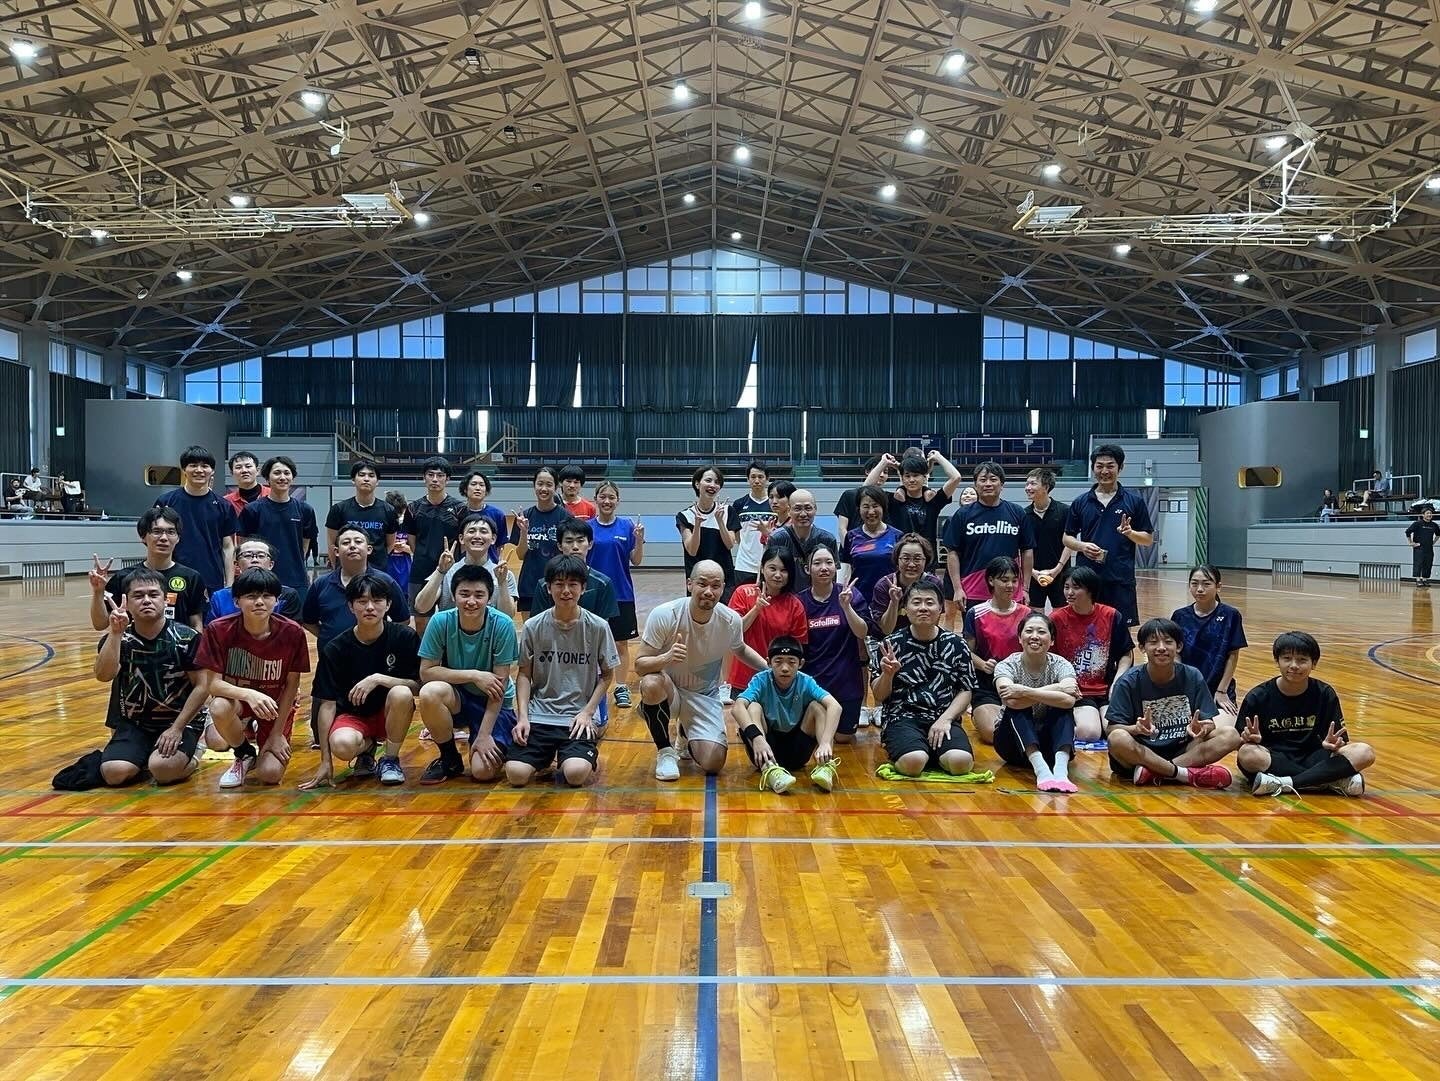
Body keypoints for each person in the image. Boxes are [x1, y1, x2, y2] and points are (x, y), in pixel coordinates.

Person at [636, 560, 768, 781]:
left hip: (704, 695)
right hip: (670, 692)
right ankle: (665, 751)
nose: (708, 591)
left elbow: (740, 649)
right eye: (702, 584)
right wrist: (666, 657)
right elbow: (640, 665)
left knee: (713, 762)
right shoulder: (665, 615)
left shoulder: (730, 620)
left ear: (722, 588)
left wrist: (769, 669)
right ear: (690, 584)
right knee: (650, 683)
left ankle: (685, 733)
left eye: (715, 586)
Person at [508, 555, 618, 788]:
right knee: (515, 775)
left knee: (575, 775)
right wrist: (523, 717)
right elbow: (524, 674)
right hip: (540, 715)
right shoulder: (533, 626)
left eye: (572, 584)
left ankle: (576, 755)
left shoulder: (598, 626)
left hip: (577, 717)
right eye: (559, 584)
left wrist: (588, 712)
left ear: (583, 588)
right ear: (548, 588)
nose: (566, 590)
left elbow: (607, 675)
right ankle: (547, 755)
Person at [302, 574, 421, 788]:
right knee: (342, 745)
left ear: (388, 605)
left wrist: (378, 679)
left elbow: (418, 686)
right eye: (362, 601)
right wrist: (325, 761)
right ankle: (367, 748)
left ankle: (390, 760)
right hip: (353, 715)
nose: (370, 607)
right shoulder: (335, 648)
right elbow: (327, 704)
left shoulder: (404, 637)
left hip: (390, 713)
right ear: (350, 606)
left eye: (377, 600)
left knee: (401, 692)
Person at [93, 569, 209, 787]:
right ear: (127, 602)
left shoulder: (188, 638)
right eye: (138, 596)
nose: (146, 600)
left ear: (166, 600)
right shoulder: (119, 638)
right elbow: (103, 675)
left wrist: (177, 728)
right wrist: (116, 634)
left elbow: (202, 687)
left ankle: (195, 751)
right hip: (135, 723)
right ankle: (143, 754)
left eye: (153, 594)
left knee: (163, 771)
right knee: (113, 773)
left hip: (179, 722)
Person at [197, 568, 310, 788]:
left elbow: (291, 686)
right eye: (251, 596)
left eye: (267, 596)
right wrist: (250, 695)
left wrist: (277, 735)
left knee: (270, 774)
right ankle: (244, 753)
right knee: (219, 707)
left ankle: (263, 732)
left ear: (276, 600)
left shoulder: (293, 632)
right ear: (236, 601)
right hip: (239, 701)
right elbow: (213, 685)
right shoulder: (218, 630)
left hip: (274, 706)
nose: (259, 602)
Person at [1104, 617, 1240, 788]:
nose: (1161, 647)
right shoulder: (1128, 681)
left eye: (1168, 642)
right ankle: (1182, 774)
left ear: (1179, 646)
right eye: (1153, 642)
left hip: (1184, 750)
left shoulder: (1192, 675)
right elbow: (1111, 729)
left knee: (1230, 735)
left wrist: (1203, 728)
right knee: (1117, 738)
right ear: (1142, 648)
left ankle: (1156, 773)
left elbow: (1209, 723)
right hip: (1142, 753)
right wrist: (1135, 729)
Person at [1237, 631, 1375, 798]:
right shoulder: (1258, 696)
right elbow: (1240, 744)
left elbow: (1340, 741)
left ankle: (1286, 784)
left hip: (1315, 757)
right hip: (1274, 759)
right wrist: (1250, 739)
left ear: (1313, 663)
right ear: (1277, 661)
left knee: (1364, 752)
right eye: (1287, 658)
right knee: (1247, 754)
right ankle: (1327, 780)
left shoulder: (1325, 693)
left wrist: (1334, 745)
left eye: (1302, 660)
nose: (1294, 665)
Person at [415, 563, 519, 784]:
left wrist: (484, 736)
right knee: (430, 692)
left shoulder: (503, 625)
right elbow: (426, 672)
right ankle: (449, 758)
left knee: (482, 772)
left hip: (494, 703)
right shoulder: (440, 621)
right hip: (459, 698)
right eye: (464, 594)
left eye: (479, 595)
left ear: (489, 598)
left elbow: (498, 688)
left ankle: (501, 740)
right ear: (453, 596)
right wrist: (474, 675)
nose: (471, 601)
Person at [868, 579, 977, 777]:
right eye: (916, 602)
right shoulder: (890, 645)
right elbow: (879, 695)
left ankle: (931, 749)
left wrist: (945, 719)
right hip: (902, 717)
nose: (923, 608)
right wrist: (888, 674)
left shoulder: (956, 644)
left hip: (943, 716)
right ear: (905, 608)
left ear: (940, 608)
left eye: (930, 602)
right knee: (913, 762)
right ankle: (920, 750)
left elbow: (965, 690)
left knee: (961, 763)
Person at [734, 636, 842, 793]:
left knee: (818, 707)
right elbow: (737, 707)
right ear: (769, 662)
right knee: (753, 707)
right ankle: (769, 769)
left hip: (797, 751)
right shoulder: (761, 680)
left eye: (791, 662)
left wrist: (825, 742)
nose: (785, 668)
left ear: (801, 664)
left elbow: (835, 706)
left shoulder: (806, 682)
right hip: (764, 749)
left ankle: (825, 766)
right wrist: (757, 738)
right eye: (778, 661)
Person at [1062, 443, 1154, 626]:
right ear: (1093, 468)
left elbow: (1148, 539)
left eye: (1110, 466)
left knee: (1120, 630)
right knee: (1085, 627)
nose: (1104, 471)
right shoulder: (1081, 502)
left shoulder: (1134, 502)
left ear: (1120, 467)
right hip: (1086, 580)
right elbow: (1067, 538)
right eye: (1099, 466)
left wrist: (1130, 533)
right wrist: (1082, 546)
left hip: (1120, 579)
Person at [993, 612, 1081, 792]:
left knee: (1062, 708)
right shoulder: (1006, 665)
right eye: (1029, 631)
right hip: (1012, 745)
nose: (1034, 636)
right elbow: (1011, 702)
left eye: (1041, 632)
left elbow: (1068, 701)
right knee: (1017, 709)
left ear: (1052, 640)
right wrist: (1058, 688)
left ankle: (1061, 770)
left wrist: (1024, 691)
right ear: (1020, 638)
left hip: (1050, 744)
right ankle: (1041, 769)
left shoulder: (1062, 664)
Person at [88, 506, 206, 632]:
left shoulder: (191, 578)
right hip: (132, 643)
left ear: (178, 538)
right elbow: (100, 624)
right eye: (157, 531)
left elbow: (196, 624)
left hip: (177, 644)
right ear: (143, 536)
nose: (164, 538)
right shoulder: (123, 577)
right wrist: (98, 591)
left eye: (171, 532)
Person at [1049, 565, 1133, 742]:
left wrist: (1117, 682)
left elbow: (1126, 653)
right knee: (1089, 733)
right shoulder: (1056, 619)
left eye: (1076, 587)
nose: (1069, 592)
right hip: (1076, 691)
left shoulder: (1112, 615)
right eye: (1066, 587)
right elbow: (1049, 658)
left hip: (1107, 689)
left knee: (1114, 731)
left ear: (1090, 590)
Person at [797, 543, 867, 744]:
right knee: (813, 730)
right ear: (807, 569)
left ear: (836, 566)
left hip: (846, 681)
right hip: (814, 682)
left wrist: (846, 607)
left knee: (844, 738)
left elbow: (862, 632)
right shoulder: (799, 601)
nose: (824, 568)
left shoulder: (850, 594)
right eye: (817, 563)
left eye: (829, 562)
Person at [943, 461, 1034, 614]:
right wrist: (957, 589)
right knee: (974, 630)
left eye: (993, 479)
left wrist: (1025, 588)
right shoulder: (962, 515)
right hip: (973, 590)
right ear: (975, 484)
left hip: (1009, 590)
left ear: (1002, 484)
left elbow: (1027, 551)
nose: (988, 484)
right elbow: (952, 553)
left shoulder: (1017, 513)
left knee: (1013, 629)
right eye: (983, 479)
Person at [302, 525, 410, 652]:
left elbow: (403, 620)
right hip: (331, 657)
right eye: (346, 543)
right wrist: (329, 637)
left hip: (374, 657)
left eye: (358, 542)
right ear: (336, 551)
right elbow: (309, 622)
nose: (352, 546)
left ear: (369, 549)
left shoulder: (386, 582)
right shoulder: (320, 584)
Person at [962, 556, 1031, 744]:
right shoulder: (975, 613)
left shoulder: (1027, 614)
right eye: (1004, 580)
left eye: (1014, 580)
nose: (1010, 585)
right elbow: (966, 652)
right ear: (991, 580)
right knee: (993, 733)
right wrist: (983, 665)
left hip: (1020, 683)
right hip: (986, 684)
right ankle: (980, 713)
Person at [725, 543, 809, 697]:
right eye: (772, 568)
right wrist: (756, 609)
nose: (778, 575)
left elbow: (797, 648)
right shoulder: (742, 593)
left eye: (784, 570)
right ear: (762, 569)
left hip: (776, 682)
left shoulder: (795, 605)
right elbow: (734, 633)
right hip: (741, 681)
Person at [154, 445, 237, 593]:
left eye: (204, 466)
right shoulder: (166, 502)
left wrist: (230, 585)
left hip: (211, 577)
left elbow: (228, 546)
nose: (199, 470)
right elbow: (154, 541)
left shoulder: (224, 506)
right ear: (184, 469)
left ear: (212, 471)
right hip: (171, 576)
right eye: (193, 465)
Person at [590, 481, 644, 708]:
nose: (607, 501)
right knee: (591, 643)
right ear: (596, 499)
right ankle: (591, 686)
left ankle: (621, 687)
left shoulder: (627, 526)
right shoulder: (587, 528)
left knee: (621, 643)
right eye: (603, 496)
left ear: (618, 501)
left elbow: (636, 560)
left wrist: (639, 540)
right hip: (592, 595)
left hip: (622, 594)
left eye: (611, 497)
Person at [237, 455, 318, 606]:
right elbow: (244, 547)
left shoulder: (305, 510)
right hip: (259, 579)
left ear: (293, 478)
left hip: (296, 579)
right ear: (267, 478)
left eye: (287, 473)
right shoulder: (252, 510)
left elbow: (304, 547)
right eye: (277, 473)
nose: (282, 477)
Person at [1170, 564, 1247, 709]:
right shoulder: (1180, 616)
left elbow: (1233, 655)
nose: (1199, 589)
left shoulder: (1231, 615)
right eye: (1194, 584)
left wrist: (1222, 690)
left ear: (1218, 586)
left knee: (1225, 723)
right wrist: (1182, 685)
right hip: (1186, 687)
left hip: (1218, 689)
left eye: (1206, 584)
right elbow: (1176, 654)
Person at [415, 514, 517, 620]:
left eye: (483, 531)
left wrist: (502, 582)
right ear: (461, 538)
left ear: (493, 539)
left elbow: (508, 616)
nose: (477, 536)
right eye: (471, 531)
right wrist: (440, 571)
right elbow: (421, 607)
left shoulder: (504, 575)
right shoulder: (445, 570)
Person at [408, 458, 466, 627]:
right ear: (424, 478)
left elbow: (463, 542)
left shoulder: (459, 508)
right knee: (420, 619)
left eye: (440, 475)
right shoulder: (414, 508)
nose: (435, 479)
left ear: (447, 479)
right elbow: (412, 540)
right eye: (430, 475)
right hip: (420, 570)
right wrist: (423, 555)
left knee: (451, 618)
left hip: (451, 571)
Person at [511, 465, 568, 620]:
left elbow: (569, 553)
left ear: (556, 487)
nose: (544, 488)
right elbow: (520, 555)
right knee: (531, 631)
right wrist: (524, 531)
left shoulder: (565, 517)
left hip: (557, 584)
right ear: (534, 486)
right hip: (529, 585)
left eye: (549, 484)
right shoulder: (524, 517)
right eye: (540, 484)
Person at [206, 536, 303, 623]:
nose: (255, 560)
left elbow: (290, 631)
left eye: (261, 556)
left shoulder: (288, 595)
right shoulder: (220, 597)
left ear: (271, 564)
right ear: (236, 565)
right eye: (247, 555)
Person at [325, 459, 397, 572]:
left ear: (377, 481)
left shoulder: (388, 510)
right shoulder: (338, 509)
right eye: (362, 475)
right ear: (353, 480)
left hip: (377, 572)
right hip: (346, 572)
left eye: (371, 475)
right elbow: (331, 544)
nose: (366, 479)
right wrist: (337, 569)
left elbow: (390, 544)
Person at [869, 534, 945, 637]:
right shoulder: (884, 585)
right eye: (906, 558)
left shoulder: (934, 584)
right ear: (897, 560)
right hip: (889, 639)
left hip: (921, 638)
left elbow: (932, 624)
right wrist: (894, 602)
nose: (911, 564)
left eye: (917, 559)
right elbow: (886, 630)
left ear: (925, 560)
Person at [676, 466, 736, 597]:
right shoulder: (685, 515)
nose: (713, 485)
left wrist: (720, 521)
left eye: (717, 482)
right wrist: (697, 524)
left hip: (723, 578)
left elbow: (730, 544)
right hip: (698, 580)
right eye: (708, 480)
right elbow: (692, 550)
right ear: (697, 484)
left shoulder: (727, 511)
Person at [840, 484, 902, 606]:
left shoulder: (897, 536)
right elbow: (846, 567)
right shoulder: (851, 536)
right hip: (858, 599)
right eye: (866, 506)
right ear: (859, 509)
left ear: (883, 508)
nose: (871, 511)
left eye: (875, 506)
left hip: (889, 598)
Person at [1024, 467, 1071, 609]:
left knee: (1061, 616)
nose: (1028, 488)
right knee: (1035, 617)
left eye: (1033, 483)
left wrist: (1057, 569)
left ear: (1046, 487)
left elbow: (1070, 543)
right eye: (1027, 484)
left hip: (1060, 573)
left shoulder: (1064, 511)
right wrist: (1033, 572)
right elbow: (1022, 548)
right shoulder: (1023, 515)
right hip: (1033, 575)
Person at [768, 489, 838, 584]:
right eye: (797, 509)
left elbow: (833, 577)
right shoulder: (777, 538)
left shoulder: (828, 539)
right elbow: (768, 571)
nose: (803, 514)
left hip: (817, 592)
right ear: (789, 510)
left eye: (808, 508)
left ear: (815, 509)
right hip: (787, 592)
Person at [729, 461, 777, 580]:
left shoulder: (775, 504)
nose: (756, 480)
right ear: (748, 479)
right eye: (753, 477)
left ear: (767, 479)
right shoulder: (739, 504)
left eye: (760, 477)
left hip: (770, 564)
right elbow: (737, 534)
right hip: (744, 564)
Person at [458, 469, 509, 561]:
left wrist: (497, 562)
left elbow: (500, 545)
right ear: (465, 489)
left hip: (490, 565)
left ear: (486, 491)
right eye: (473, 484)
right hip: (463, 564)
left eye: (481, 485)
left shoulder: (498, 514)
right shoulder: (457, 513)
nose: (478, 488)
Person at [832, 456, 885, 537]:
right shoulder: (849, 495)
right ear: (867, 471)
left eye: (885, 472)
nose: (882, 475)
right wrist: (848, 544)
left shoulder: (887, 498)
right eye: (878, 470)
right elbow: (842, 529)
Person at [384, 490, 415, 595]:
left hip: (405, 568)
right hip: (387, 566)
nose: (398, 515)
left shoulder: (409, 524)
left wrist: (405, 548)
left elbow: (417, 549)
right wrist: (390, 545)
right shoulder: (384, 523)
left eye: (401, 512)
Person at [223, 451, 268, 515]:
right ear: (232, 473)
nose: (244, 470)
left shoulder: (272, 495)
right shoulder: (226, 502)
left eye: (248, 466)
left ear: (257, 471)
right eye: (238, 467)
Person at [1406, 506, 1438, 587]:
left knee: (1428, 564)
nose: (1429, 515)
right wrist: (1411, 543)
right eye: (1427, 513)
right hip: (1419, 548)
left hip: (1429, 548)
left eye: (1430, 513)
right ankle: (1418, 580)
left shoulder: (1434, 525)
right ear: (1423, 515)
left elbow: (1438, 534)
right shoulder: (1417, 524)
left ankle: (1425, 580)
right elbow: (1408, 532)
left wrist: (1433, 542)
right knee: (1418, 563)